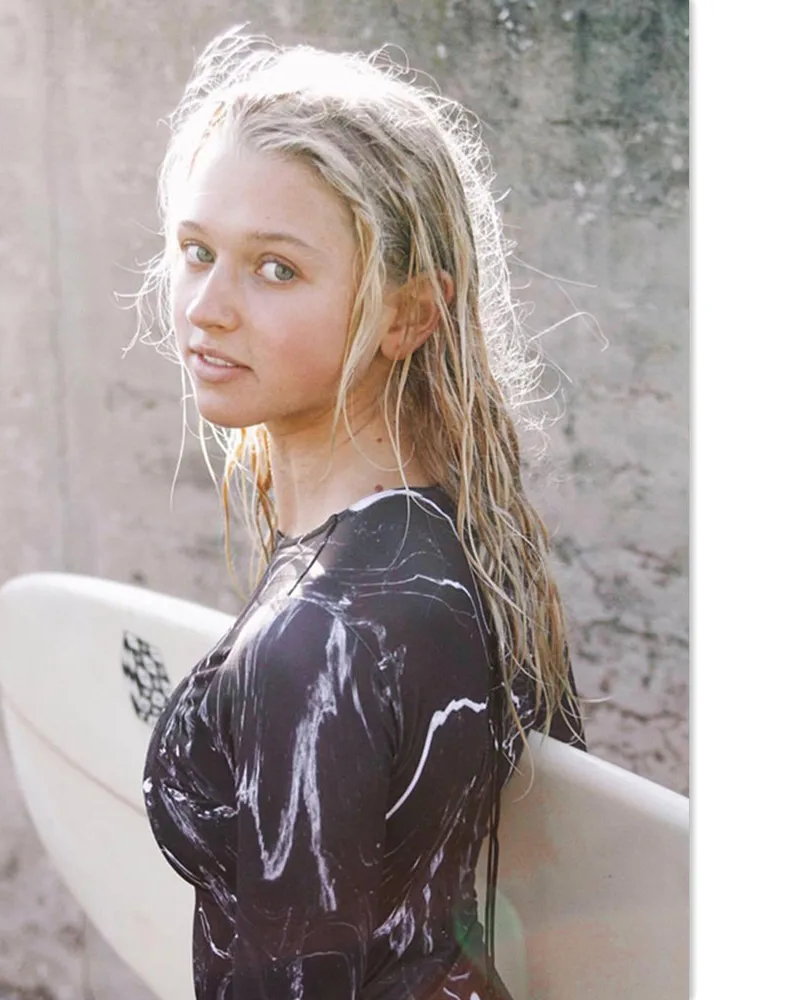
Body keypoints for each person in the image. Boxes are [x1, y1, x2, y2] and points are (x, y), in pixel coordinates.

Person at [138, 28, 586, 1000]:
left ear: (409, 313)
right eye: (197, 252)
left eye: (276, 269)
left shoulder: (322, 638)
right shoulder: (456, 542)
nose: (206, 306)